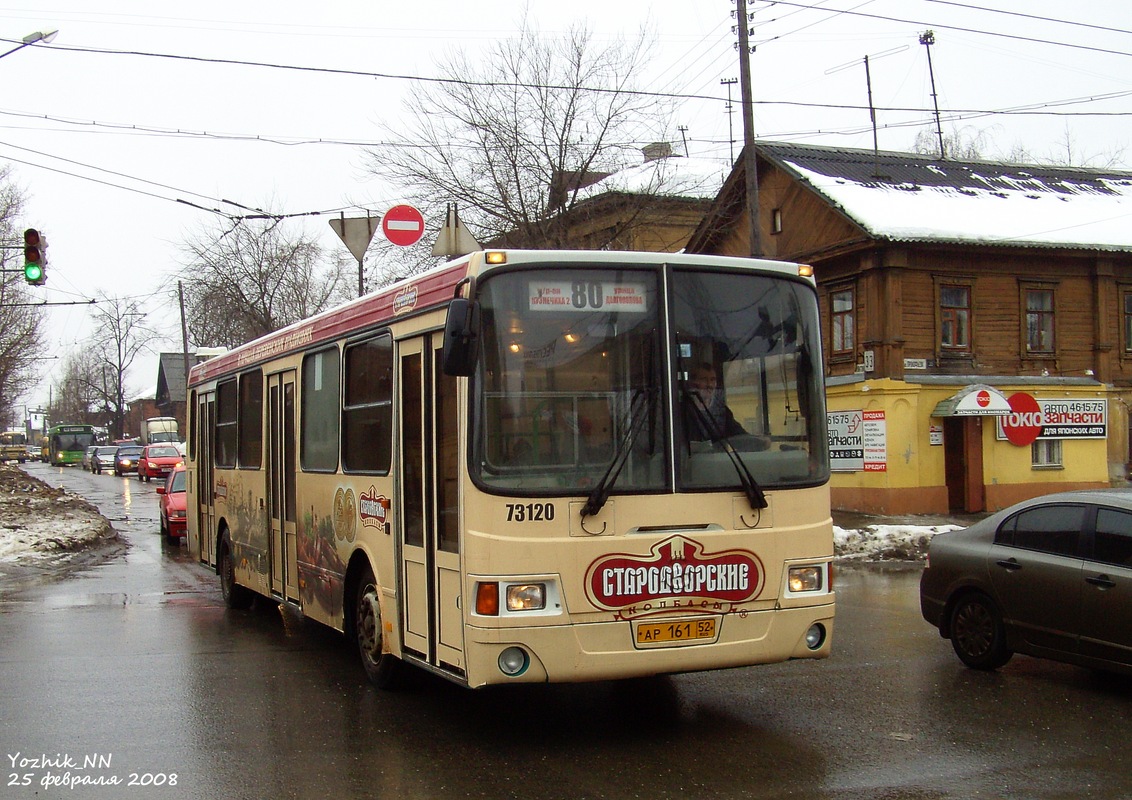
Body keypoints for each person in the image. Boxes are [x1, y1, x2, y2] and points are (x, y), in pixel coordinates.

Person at [685, 362, 747, 440]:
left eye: (712, 380)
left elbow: (739, 435)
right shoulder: (682, 411)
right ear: (692, 383)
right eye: (704, 380)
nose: (709, 385)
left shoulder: (721, 411)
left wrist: (758, 442)